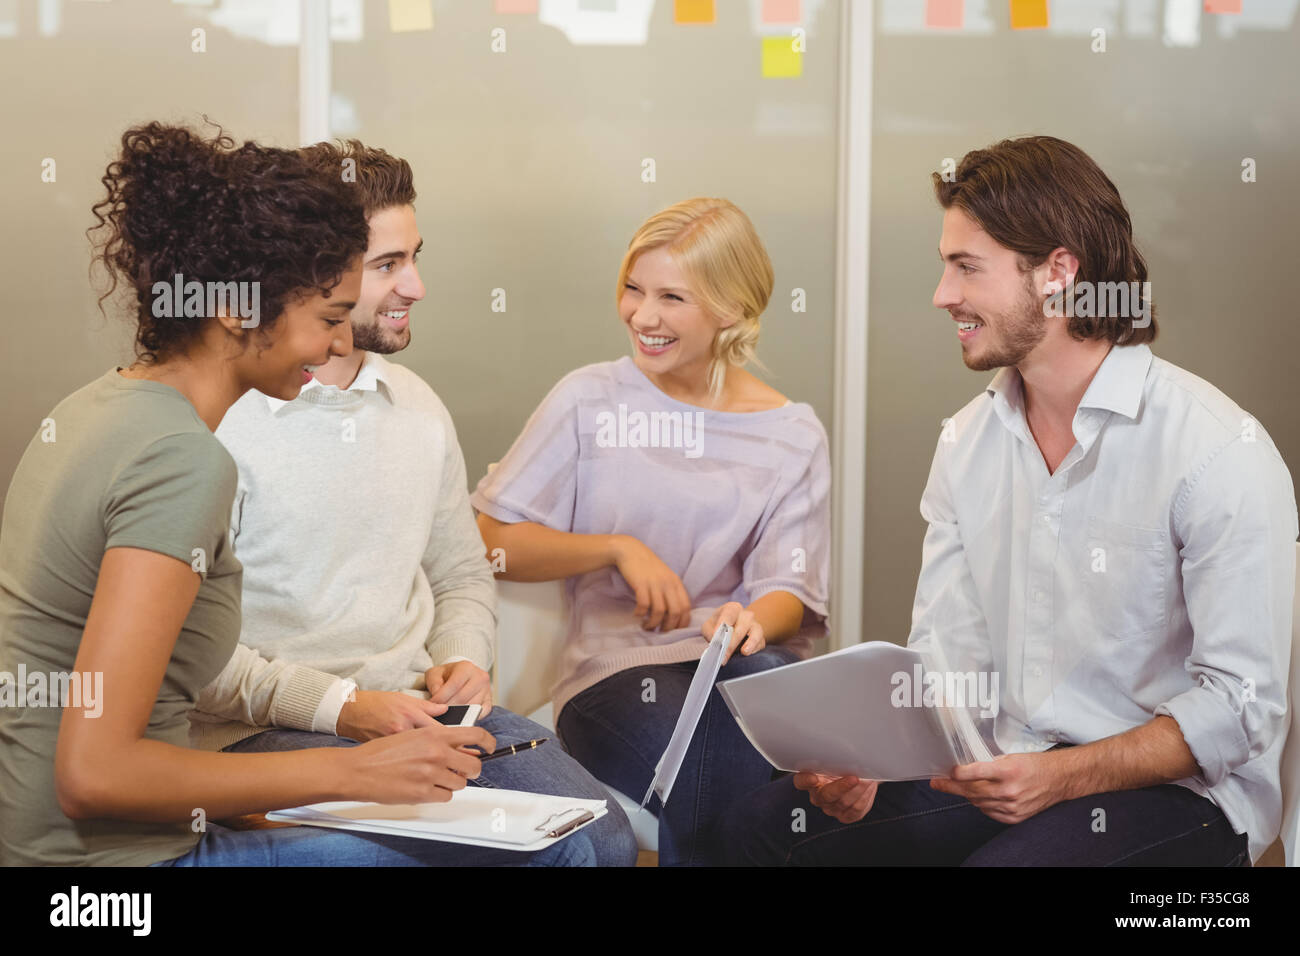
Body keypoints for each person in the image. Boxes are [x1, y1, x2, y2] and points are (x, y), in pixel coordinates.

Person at [0, 122, 593, 867]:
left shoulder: (97, 408)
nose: (341, 346)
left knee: (569, 839)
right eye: (328, 320)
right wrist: (353, 759)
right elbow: (94, 774)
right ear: (238, 310)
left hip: (94, 853)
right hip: (114, 876)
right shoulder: (186, 460)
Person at [721, 135, 1297, 866]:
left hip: (1180, 796)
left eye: (966, 267)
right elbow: (946, 658)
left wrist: (1061, 777)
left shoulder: (1217, 452)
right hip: (1006, 765)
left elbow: (1241, 709)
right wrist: (872, 760)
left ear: (1058, 272)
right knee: (762, 833)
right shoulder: (968, 442)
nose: (943, 294)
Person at [189, 139, 637, 866]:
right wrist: (348, 708)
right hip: (262, 735)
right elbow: (193, 660)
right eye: (388, 265)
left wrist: (464, 659)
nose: (417, 286)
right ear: (318, 273)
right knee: (441, 857)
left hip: (421, 717)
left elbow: (462, 573)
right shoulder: (223, 423)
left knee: (599, 840)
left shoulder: (417, 406)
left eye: (415, 257)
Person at [472, 198, 832, 866]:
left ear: (730, 308)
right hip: (618, 674)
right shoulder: (589, 400)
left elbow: (792, 590)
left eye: (672, 297)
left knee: (813, 780)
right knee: (720, 775)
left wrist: (750, 620)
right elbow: (489, 540)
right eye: (633, 289)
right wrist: (615, 549)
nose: (643, 316)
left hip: (742, 664)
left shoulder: (792, 434)